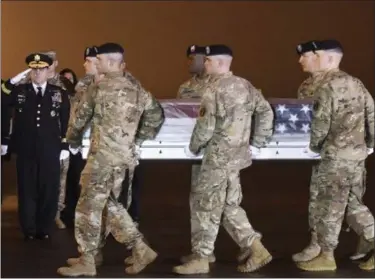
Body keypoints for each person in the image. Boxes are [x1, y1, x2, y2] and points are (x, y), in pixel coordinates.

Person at [57, 42, 165, 277]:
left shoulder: (99, 88)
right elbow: (156, 114)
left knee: (89, 206)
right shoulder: (136, 88)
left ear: (107, 62)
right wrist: (138, 137)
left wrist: (72, 141)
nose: (97, 64)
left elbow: (78, 120)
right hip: (125, 158)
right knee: (108, 204)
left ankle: (127, 249)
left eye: (99, 61)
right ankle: (96, 253)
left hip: (102, 157)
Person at [173, 44, 274, 274]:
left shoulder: (214, 89)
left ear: (219, 63)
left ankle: (201, 257)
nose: (204, 64)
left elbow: (206, 126)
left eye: (208, 61)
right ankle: (254, 247)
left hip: (216, 156)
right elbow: (266, 111)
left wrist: (194, 147)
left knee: (204, 203)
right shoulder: (245, 85)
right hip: (237, 156)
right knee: (228, 205)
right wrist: (257, 141)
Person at [295, 40, 374, 271]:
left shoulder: (327, 87)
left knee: (332, 202)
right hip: (352, 154)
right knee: (339, 201)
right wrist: (368, 145)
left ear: (325, 57)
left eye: (308, 55)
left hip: (333, 154)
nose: (301, 60)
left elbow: (320, 122)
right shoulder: (355, 83)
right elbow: (372, 113)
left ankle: (327, 255)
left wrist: (315, 145)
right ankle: (318, 245)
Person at [1, 53, 70, 240]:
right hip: (26, 148)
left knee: (49, 189)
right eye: (34, 69)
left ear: (48, 71)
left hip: (50, 148)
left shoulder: (58, 93)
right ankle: (29, 229)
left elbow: (65, 120)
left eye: (41, 69)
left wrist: (65, 143)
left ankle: (44, 228)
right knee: (27, 189)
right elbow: (2, 97)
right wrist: (12, 81)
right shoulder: (20, 91)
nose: (37, 73)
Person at [176, 45, 217, 264]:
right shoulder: (185, 87)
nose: (189, 62)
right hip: (197, 153)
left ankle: (250, 245)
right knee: (199, 202)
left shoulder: (221, 85)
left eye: (193, 58)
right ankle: (202, 251)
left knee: (224, 203)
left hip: (219, 152)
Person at [62, 46, 99, 228]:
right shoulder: (82, 84)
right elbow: (76, 112)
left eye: (89, 60)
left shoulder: (111, 83)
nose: (85, 64)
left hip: (101, 144)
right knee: (77, 181)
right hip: (82, 142)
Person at [40, 50, 74, 229]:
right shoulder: (33, 80)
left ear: (56, 63)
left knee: (61, 176)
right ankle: (40, 213)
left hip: (61, 136)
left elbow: (74, 107)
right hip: (40, 137)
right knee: (40, 176)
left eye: (51, 61)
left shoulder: (65, 84)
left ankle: (56, 214)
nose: (48, 64)